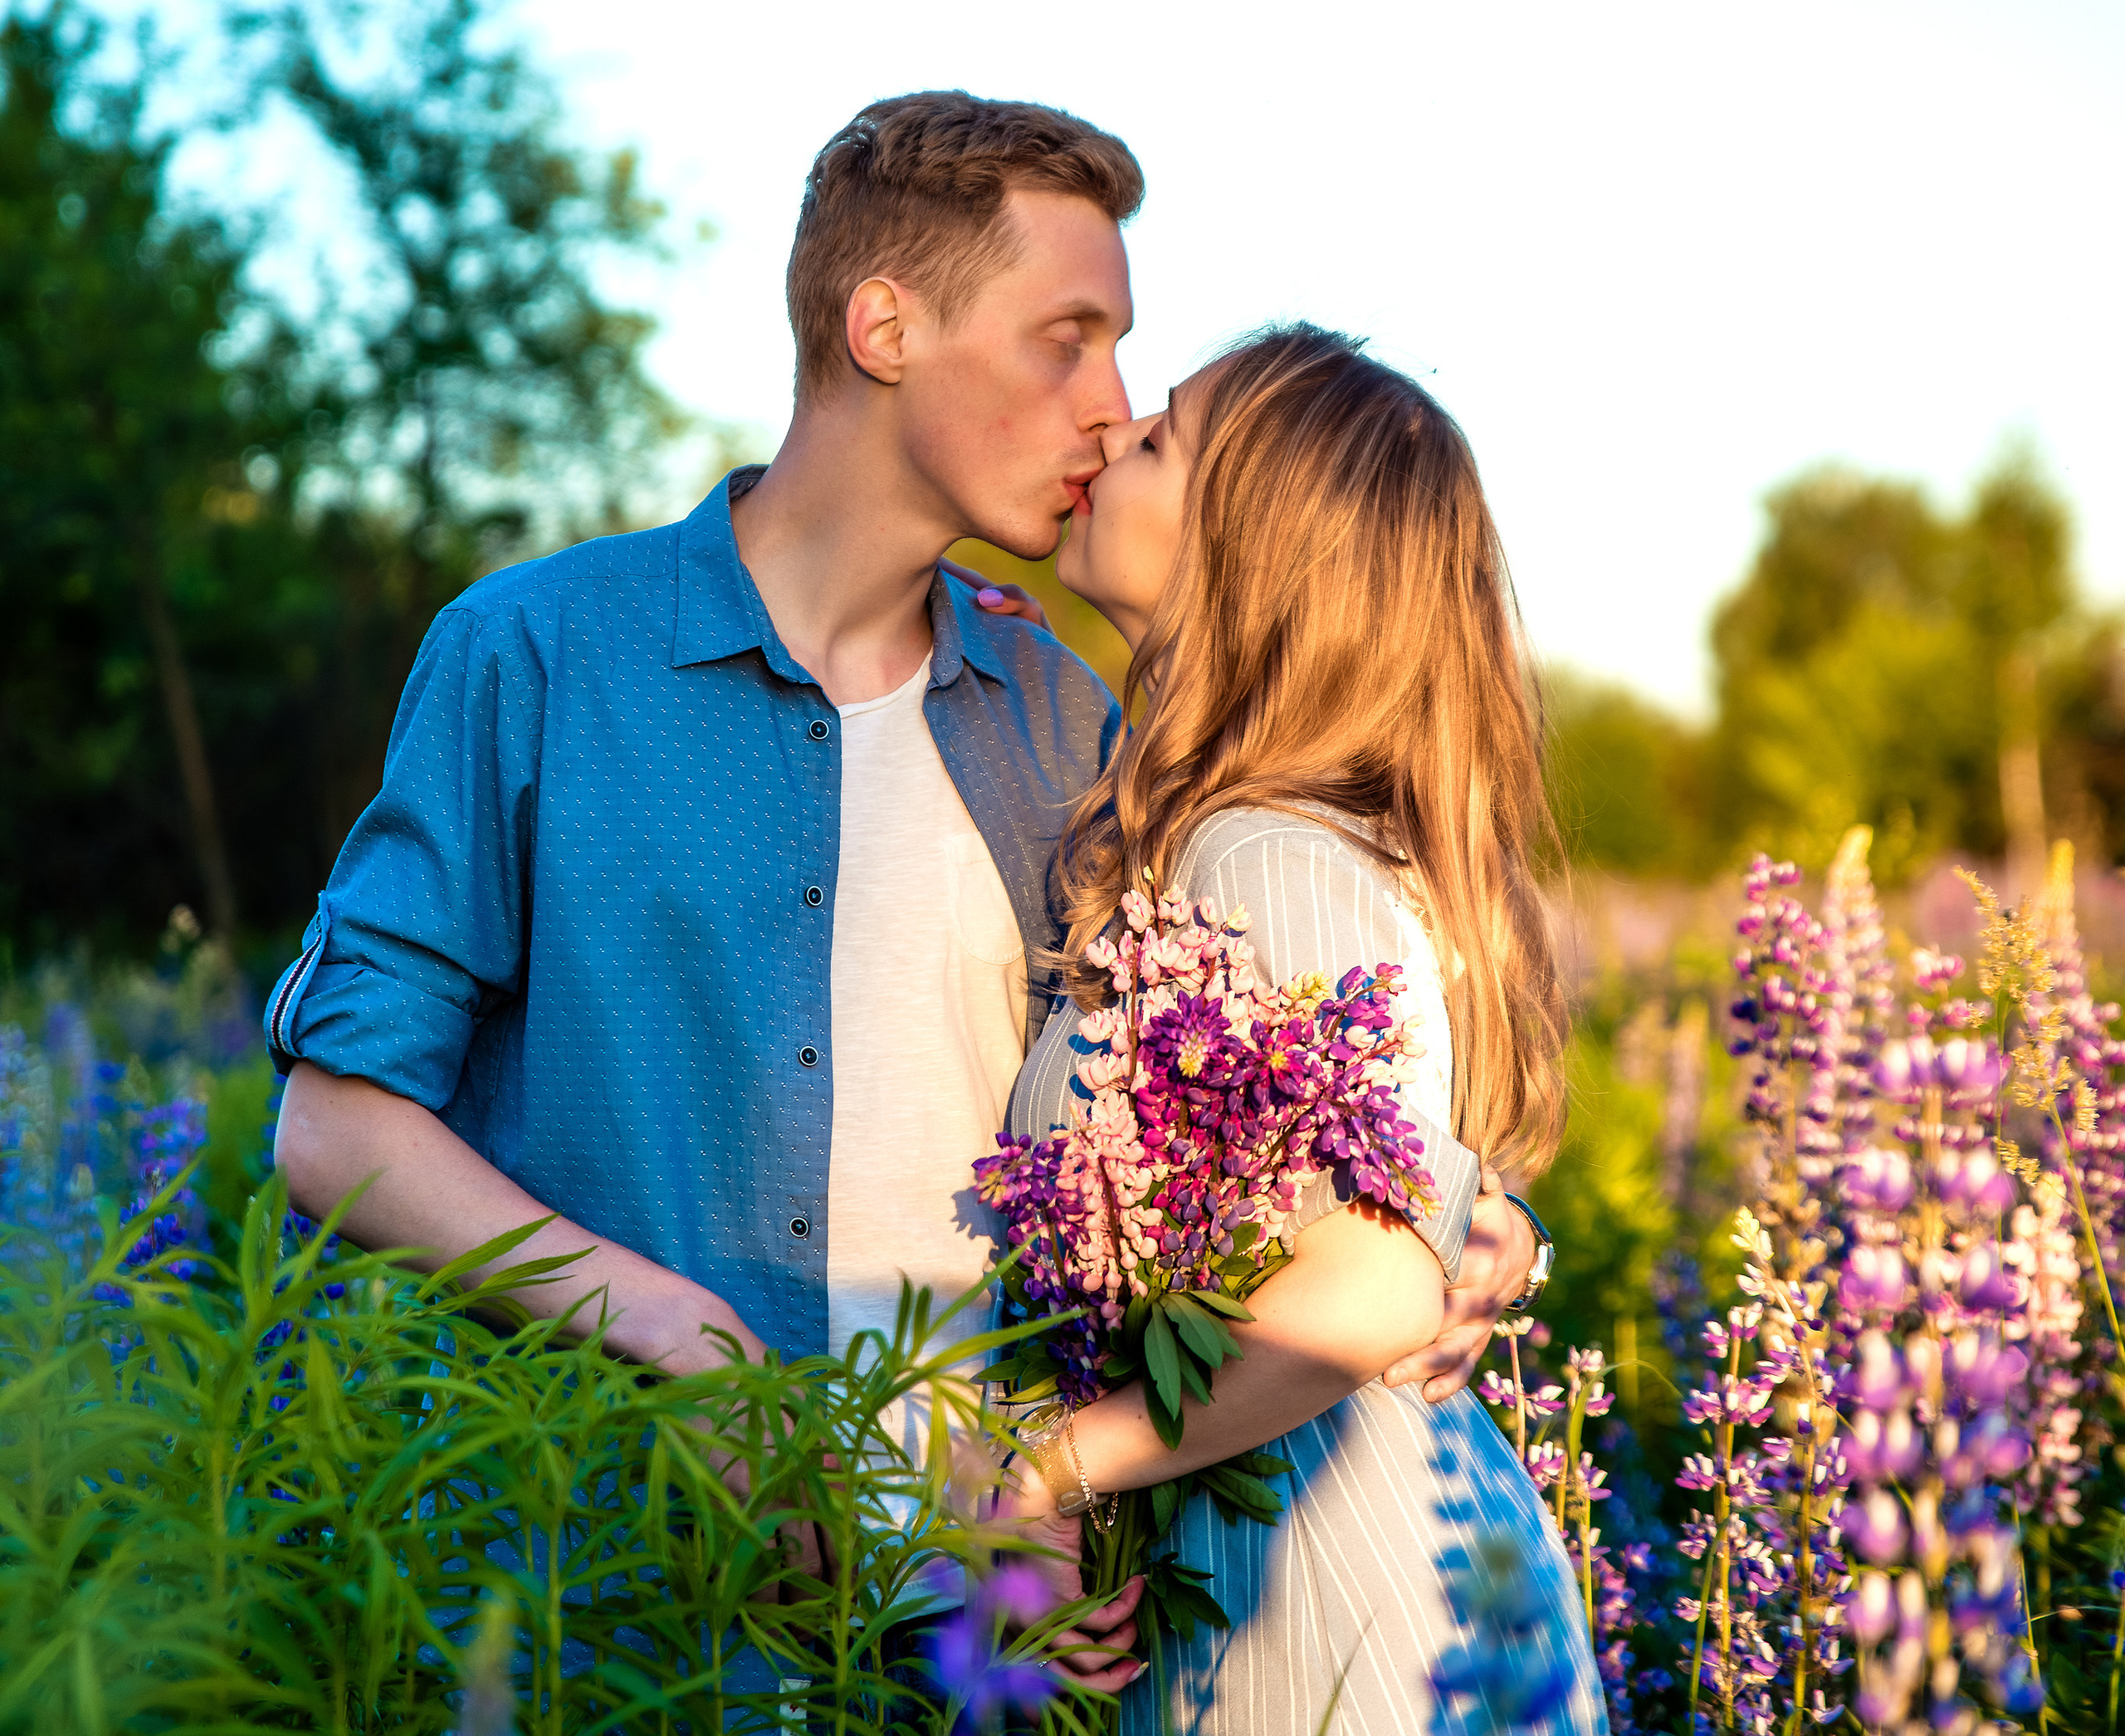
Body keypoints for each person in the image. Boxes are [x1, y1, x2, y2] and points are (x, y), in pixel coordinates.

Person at [268, 100, 1536, 1635]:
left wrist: (1469, 1225)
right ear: (885, 326)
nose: (1110, 406)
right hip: (607, 1625)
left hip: (968, 1645)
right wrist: (674, 1329)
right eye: (1064, 340)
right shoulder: (530, 653)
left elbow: (1250, 1102)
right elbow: (336, 1126)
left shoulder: (1078, 724)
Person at [994, 325, 1663, 1736]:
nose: (1117, 429)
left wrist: (1067, 1455)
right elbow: (1405, 1217)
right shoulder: (1263, 835)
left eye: (1168, 428)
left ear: (1258, 543)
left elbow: (1369, 1273)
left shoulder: (1262, 852)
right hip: (1299, 1543)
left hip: (1314, 1579)